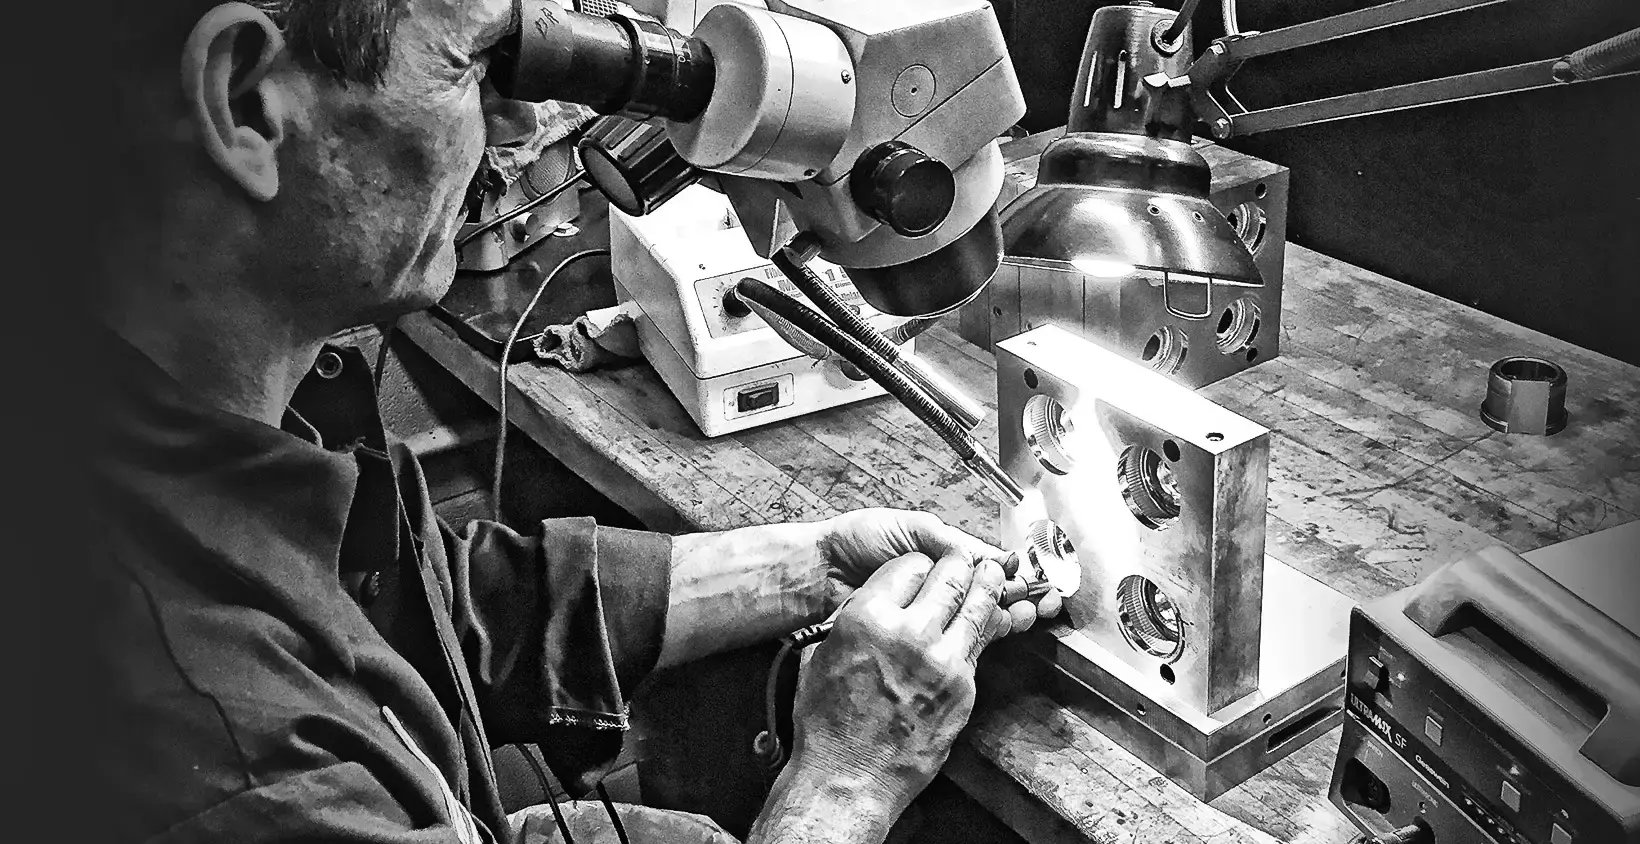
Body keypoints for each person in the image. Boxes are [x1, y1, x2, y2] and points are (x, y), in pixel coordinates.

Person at [90, 1, 1060, 841]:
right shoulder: (233, 761)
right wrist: (842, 784)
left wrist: (809, 563)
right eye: (471, 63)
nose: (515, 122)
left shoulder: (209, 417)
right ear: (248, 102)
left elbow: (424, 606)